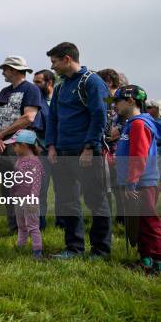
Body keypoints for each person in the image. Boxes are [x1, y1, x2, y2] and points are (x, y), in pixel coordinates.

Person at [45, 42, 112, 260]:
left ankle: (101, 250)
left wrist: (89, 147)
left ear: (66, 59)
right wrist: (51, 146)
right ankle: (73, 248)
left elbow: (99, 115)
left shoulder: (92, 82)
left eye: (54, 62)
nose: (52, 66)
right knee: (66, 201)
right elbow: (53, 118)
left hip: (85, 153)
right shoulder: (61, 86)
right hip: (62, 153)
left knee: (96, 200)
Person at [111, 85, 161, 273]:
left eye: (117, 101)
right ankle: (145, 259)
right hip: (134, 182)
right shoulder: (131, 124)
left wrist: (131, 183)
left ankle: (157, 260)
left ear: (131, 101)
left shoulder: (139, 124)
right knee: (139, 223)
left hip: (141, 183)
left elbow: (139, 157)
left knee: (149, 222)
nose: (114, 105)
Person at [0, 56, 43, 233]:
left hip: (21, 145)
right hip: (3, 146)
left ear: (14, 69)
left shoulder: (31, 89)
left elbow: (28, 118)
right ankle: (13, 227)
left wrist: (2, 134)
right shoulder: (3, 91)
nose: (3, 73)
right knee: (7, 187)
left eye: (5, 69)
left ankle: (29, 228)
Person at [5, 129, 44, 259]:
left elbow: (36, 183)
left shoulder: (34, 162)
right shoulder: (19, 160)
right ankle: (20, 247)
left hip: (29, 200)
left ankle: (37, 251)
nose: (13, 147)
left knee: (32, 226)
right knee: (21, 225)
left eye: (14, 145)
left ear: (24, 145)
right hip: (19, 200)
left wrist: (33, 198)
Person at [98, 68, 126, 225]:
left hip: (119, 146)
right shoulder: (107, 98)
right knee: (107, 182)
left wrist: (119, 130)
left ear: (108, 81)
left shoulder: (121, 96)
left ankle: (122, 216)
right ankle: (109, 215)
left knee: (118, 183)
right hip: (106, 145)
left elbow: (129, 118)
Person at [33, 69, 57, 230]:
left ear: (49, 83)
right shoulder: (36, 102)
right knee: (40, 190)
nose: (34, 85)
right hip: (42, 151)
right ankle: (40, 224)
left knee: (64, 191)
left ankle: (63, 223)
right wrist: (38, 147)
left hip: (62, 151)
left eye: (38, 82)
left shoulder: (61, 99)